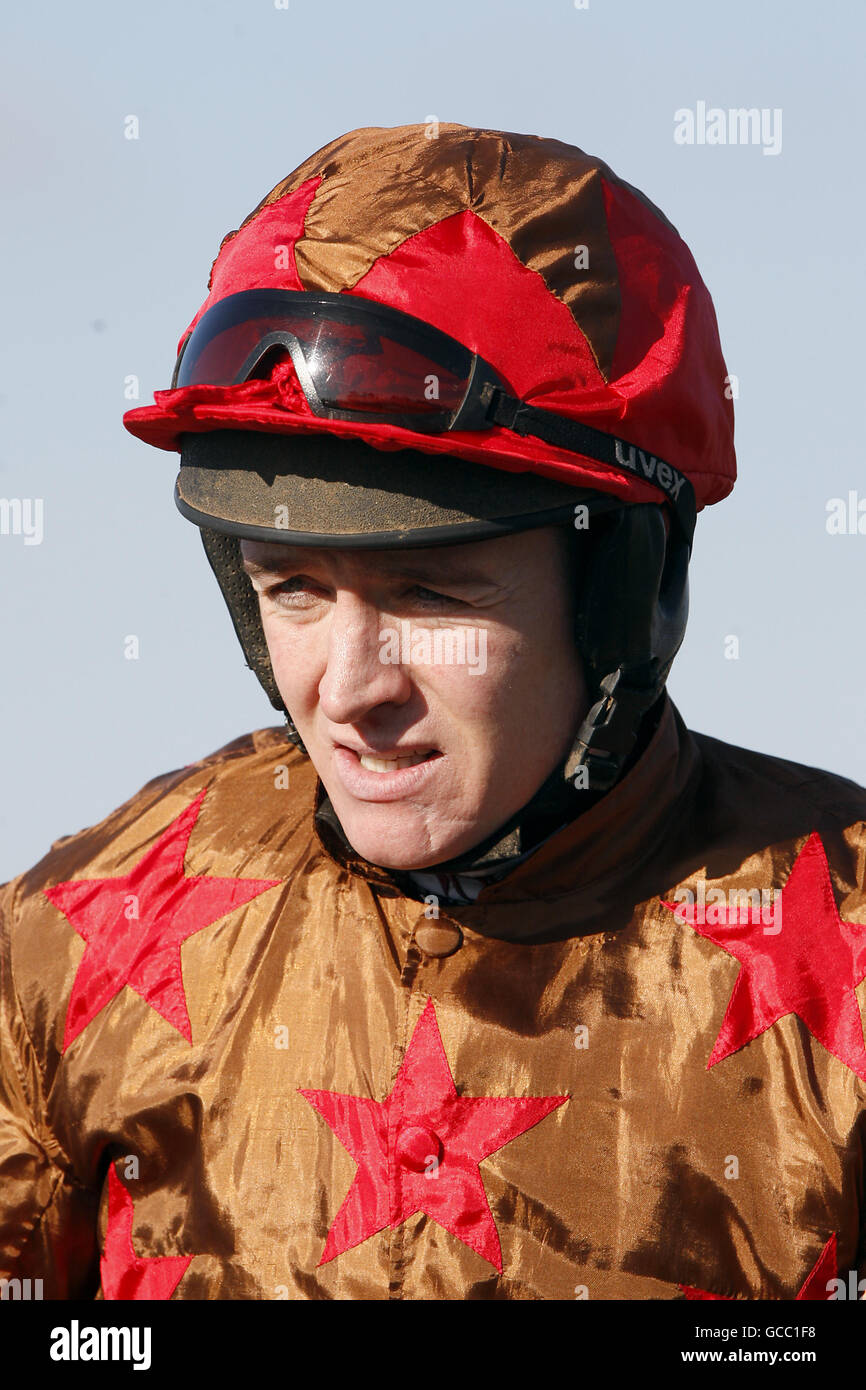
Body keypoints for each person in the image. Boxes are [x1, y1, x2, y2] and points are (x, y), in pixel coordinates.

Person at [1, 122, 864, 1302]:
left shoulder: (843, 971)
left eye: (428, 591)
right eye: (292, 588)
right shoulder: (74, 938)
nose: (349, 690)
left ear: (624, 590)